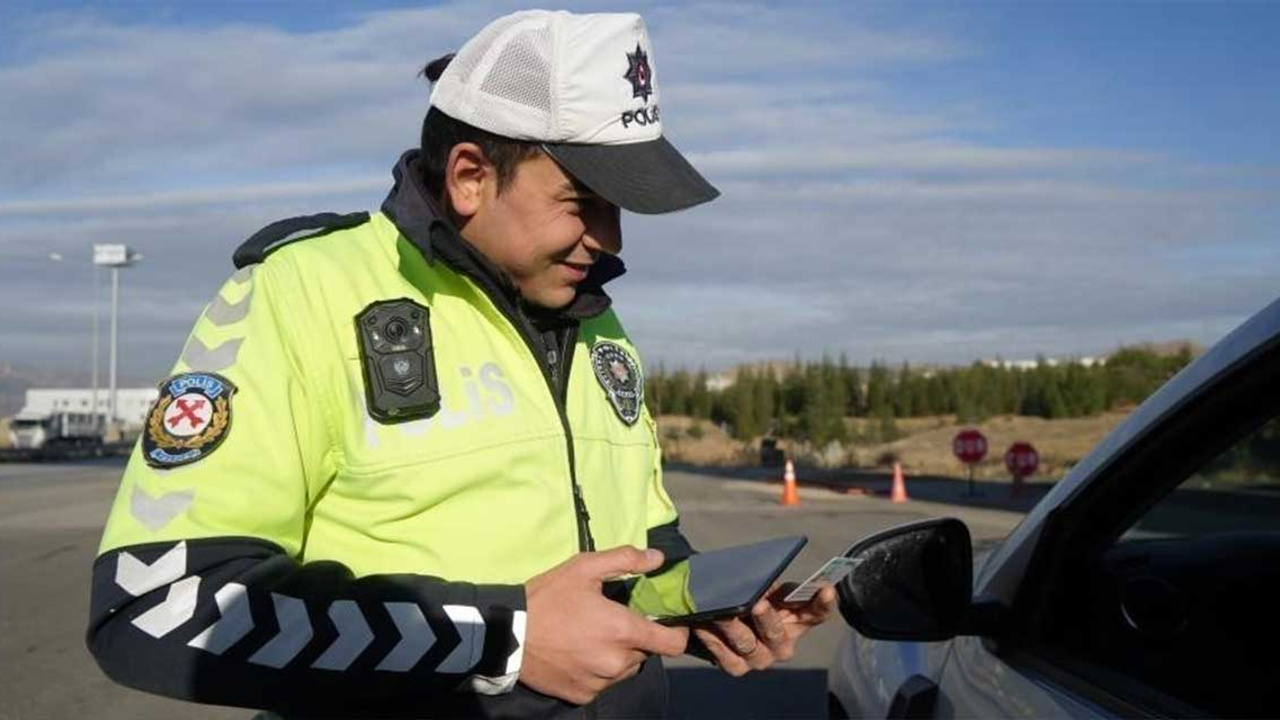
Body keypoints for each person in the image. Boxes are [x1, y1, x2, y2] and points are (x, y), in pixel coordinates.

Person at [86, 9, 835, 718]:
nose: (610, 241)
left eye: (622, 210)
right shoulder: (298, 293)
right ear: (472, 176)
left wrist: (709, 609)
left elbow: (641, 548)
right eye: (584, 202)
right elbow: (156, 602)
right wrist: (498, 638)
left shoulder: (596, 319)